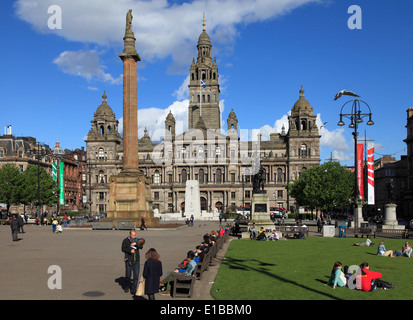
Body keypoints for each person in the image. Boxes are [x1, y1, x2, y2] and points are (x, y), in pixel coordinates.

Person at [122, 230, 145, 295]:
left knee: (136, 275)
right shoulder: (126, 240)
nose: (135, 236)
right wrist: (130, 250)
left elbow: (141, 247)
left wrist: (137, 244)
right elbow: (123, 248)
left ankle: (134, 289)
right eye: (133, 235)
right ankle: (127, 286)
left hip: (136, 260)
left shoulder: (137, 240)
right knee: (128, 274)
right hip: (129, 260)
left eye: (135, 235)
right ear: (130, 235)